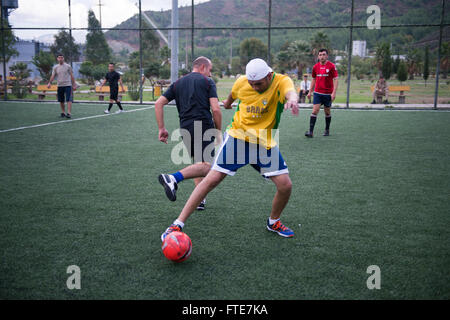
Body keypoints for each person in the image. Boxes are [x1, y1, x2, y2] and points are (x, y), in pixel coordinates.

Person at [161, 58, 299, 242]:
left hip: (263, 143)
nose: (255, 87)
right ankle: (177, 223)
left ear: (268, 76)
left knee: (285, 185)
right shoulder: (242, 82)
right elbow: (231, 97)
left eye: (258, 84)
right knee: (211, 179)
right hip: (237, 138)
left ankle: (273, 221)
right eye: (252, 84)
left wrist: (293, 100)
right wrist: (226, 104)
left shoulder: (281, 81)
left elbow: (290, 92)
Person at [155, 56, 222, 211]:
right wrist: (217, 131)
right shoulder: (207, 82)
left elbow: (158, 103)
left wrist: (162, 128)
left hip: (185, 127)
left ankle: (199, 199)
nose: (210, 74)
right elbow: (216, 109)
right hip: (203, 126)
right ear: (203, 67)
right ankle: (173, 178)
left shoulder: (177, 83)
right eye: (210, 70)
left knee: (199, 162)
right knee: (207, 167)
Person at [306, 48, 338, 137]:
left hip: (328, 94)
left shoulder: (331, 66)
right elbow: (313, 79)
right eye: (320, 55)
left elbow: (335, 79)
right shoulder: (315, 67)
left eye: (324, 54)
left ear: (327, 56)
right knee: (315, 110)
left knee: (327, 112)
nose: (322, 56)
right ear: (318, 56)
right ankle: (310, 132)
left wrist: (334, 93)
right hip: (317, 93)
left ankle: (327, 130)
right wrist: (310, 91)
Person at [48, 54, 77, 119]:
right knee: (61, 100)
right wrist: (49, 83)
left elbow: (72, 75)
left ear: (63, 58)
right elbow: (53, 76)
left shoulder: (68, 66)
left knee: (69, 99)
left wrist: (74, 84)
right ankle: (63, 112)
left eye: (62, 57)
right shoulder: (55, 67)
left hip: (68, 85)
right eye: (59, 58)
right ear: (57, 59)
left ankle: (69, 113)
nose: (60, 59)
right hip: (60, 85)